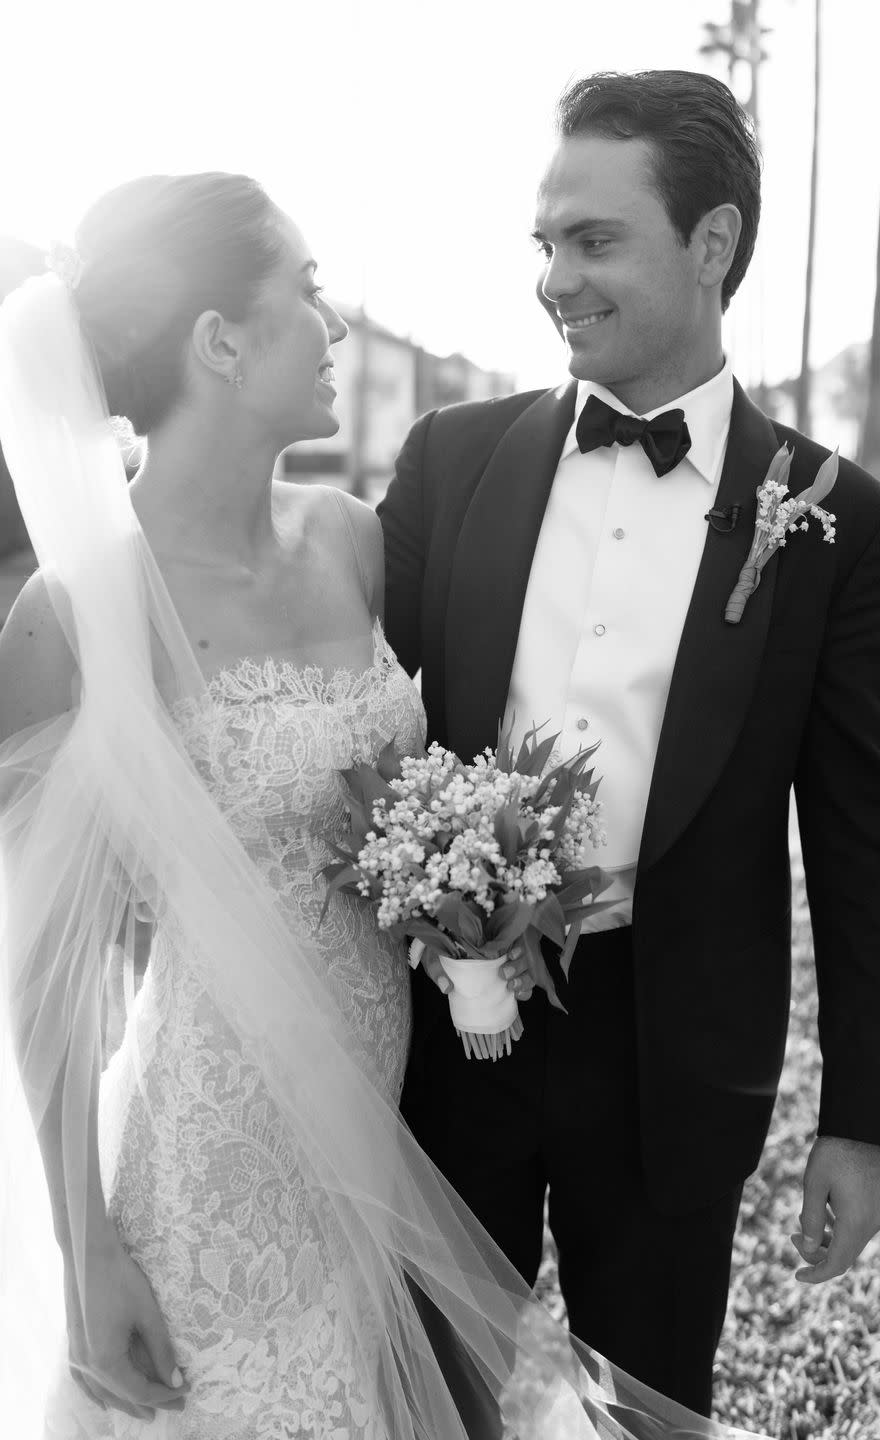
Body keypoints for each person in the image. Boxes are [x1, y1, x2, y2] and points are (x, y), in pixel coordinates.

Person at [0, 172, 768, 1440]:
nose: (339, 322)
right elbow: (40, 981)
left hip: (396, 1126)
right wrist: (85, 1248)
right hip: (214, 1161)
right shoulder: (73, 616)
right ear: (221, 341)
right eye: (306, 289)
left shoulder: (358, 543)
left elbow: (457, 755)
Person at [379, 69, 880, 1420]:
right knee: (434, 1401)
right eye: (546, 243)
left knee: (647, 1410)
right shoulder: (451, 462)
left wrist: (858, 1122)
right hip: (449, 1038)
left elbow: (865, 841)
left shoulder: (833, 521)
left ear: (714, 244)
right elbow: (343, 707)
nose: (556, 276)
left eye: (595, 240)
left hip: (674, 1067)